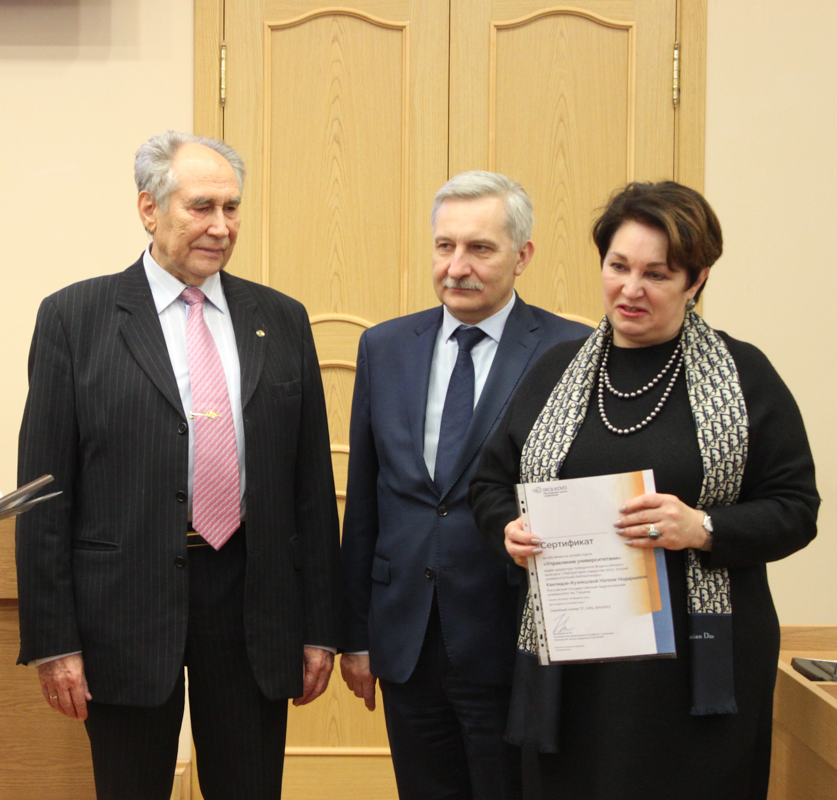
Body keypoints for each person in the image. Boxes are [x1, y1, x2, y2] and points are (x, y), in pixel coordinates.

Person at [15, 131, 342, 800]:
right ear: (149, 208)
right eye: (201, 207)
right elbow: (45, 493)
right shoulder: (75, 318)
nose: (221, 227)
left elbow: (310, 486)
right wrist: (53, 640)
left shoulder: (281, 319)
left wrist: (321, 628)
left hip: (252, 601)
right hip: (124, 606)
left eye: (231, 207)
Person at [469, 181, 820, 799]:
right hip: (575, 666)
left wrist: (703, 527)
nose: (630, 289)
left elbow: (796, 509)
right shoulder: (554, 370)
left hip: (698, 672)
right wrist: (509, 530)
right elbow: (491, 482)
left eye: (657, 274)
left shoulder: (745, 375)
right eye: (619, 266)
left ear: (697, 280)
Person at [339, 171, 589, 799]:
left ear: (522, 256)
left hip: (511, 637)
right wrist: (356, 636)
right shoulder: (385, 346)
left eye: (480, 248)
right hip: (406, 638)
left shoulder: (571, 351)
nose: (457, 267)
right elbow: (365, 501)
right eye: (445, 246)